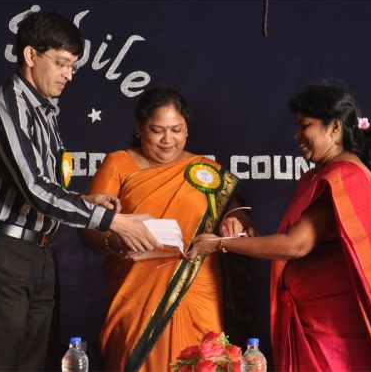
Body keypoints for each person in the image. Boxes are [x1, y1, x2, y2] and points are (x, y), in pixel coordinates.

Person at [0, 11, 161, 371]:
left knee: (35, 365)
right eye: (62, 63)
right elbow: (35, 189)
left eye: (73, 66)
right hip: (5, 253)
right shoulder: (6, 107)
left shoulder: (44, 112)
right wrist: (115, 221)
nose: (69, 74)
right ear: (30, 56)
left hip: (39, 253)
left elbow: (38, 185)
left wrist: (85, 201)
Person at [188, 82, 371, 371]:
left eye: (305, 125)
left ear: (334, 128)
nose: (297, 135)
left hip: (333, 331)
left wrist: (220, 244)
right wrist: (249, 237)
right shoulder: (322, 174)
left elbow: (296, 244)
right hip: (314, 319)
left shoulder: (344, 175)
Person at [78, 86, 252, 371]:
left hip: (198, 290)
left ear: (187, 129)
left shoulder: (207, 169)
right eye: (157, 130)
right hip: (136, 294)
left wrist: (234, 220)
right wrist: (118, 240)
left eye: (176, 129)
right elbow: (88, 230)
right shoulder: (118, 163)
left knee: (204, 361)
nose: (168, 140)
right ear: (139, 128)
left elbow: (235, 212)